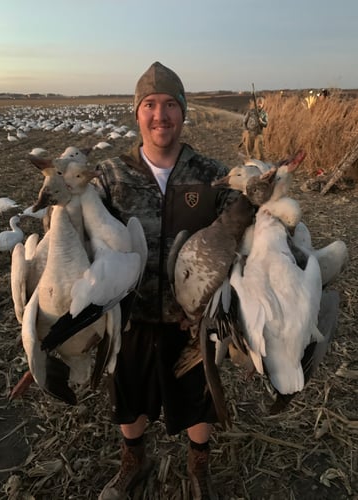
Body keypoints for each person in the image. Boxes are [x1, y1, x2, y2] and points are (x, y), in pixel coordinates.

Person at [96, 61, 252, 500]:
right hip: (132, 317)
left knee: (199, 398)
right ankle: (135, 462)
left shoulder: (210, 174)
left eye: (169, 105)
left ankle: (197, 468)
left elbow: (245, 224)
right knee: (130, 397)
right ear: (137, 112)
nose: (160, 115)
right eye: (149, 105)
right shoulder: (110, 176)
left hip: (194, 322)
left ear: (184, 113)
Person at [242, 96, 268, 160]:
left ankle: (260, 164)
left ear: (263, 104)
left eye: (261, 103)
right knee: (249, 150)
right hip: (250, 133)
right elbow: (244, 121)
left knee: (259, 150)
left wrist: (261, 121)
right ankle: (249, 163)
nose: (259, 104)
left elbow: (266, 124)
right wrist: (246, 130)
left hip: (258, 134)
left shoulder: (264, 114)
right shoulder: (250, 112)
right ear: (256, 104)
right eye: (258, 103)